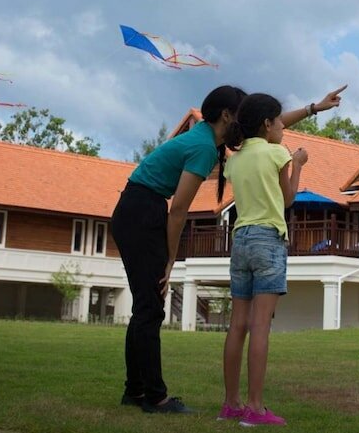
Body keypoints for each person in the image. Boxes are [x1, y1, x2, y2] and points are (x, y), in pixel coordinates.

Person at [112, 84, 345, 414]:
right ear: (226, 116)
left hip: (138, 209)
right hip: (142, 212)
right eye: (241, 111)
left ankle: (135, 391)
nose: (249, 118)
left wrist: (313, 109)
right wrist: (169, 263)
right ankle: (154, 396)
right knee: (150, 308)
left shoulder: (217, 142)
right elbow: (179, 209)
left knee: (146, 307)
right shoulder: (204, 147)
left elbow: (268, 128)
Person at [217, 94, 307, 426]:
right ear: (267, 124)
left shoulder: (234, 160)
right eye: (280, 121)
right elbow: (287, 199)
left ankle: (231, 404)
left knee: (237, 324)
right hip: (268, 239)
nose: (284, 126)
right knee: (260, 327)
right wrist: (297, 165)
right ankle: (255, 408)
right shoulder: (277, 153)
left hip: (239, 240)